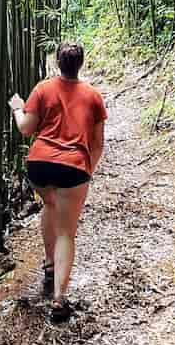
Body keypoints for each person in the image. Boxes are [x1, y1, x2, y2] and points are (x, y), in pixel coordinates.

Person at [9, 40, 107, 322]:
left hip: (39, 165)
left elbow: (26, 129)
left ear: (57, 63)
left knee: (49, 206)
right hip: (73, 168)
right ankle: (59, 299)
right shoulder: (93, 96)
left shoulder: (43, 88)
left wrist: (17, 106)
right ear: (81, 64)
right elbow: (98, 143)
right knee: (66, 232)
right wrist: (88, 169)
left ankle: (50, 265)